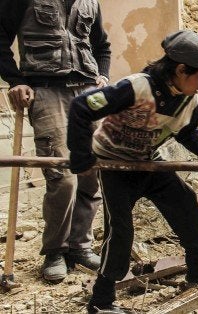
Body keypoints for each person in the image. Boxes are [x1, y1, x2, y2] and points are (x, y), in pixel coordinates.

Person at [67, 30, 198, 313]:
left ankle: (197, 269)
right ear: (182, 70)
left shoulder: (188, 100)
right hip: (114, 166)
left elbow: (190, 136)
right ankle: (101, 301)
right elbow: (81, 106)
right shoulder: (134, 88)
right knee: (119, 230)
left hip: (149, 162)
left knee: (187, 206)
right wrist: (82, 156)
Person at [0, 0, 111, 282]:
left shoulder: (91, 2)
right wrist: (15, 80)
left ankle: (80, 246)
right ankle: (56, 250)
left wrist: (103, 75)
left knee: (92, 174)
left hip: (88, 93)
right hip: (47, 91)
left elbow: (102, 46)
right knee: (62, 177)